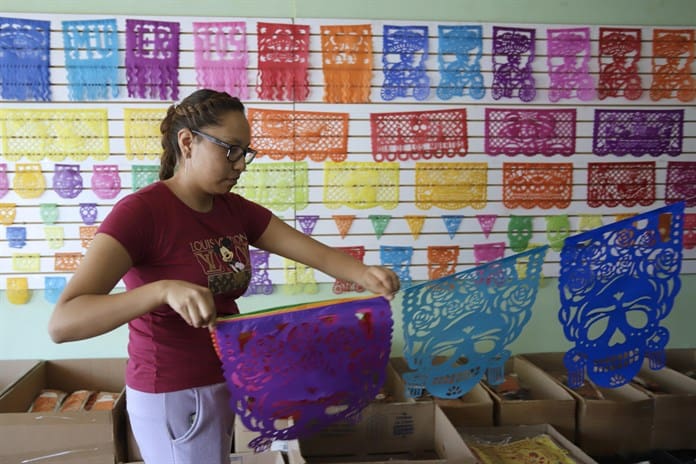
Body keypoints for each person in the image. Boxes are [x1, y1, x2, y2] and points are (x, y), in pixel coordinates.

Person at [47, 88, 400, 464]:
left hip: (225, 378)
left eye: (245, 152)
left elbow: (311, 251)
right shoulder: (141, 213)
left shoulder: (233, 210)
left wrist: (364, 273)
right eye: (230, 149)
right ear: (187, 142)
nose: (241, 164)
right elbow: (64, 323)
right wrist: (161, 291)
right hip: (173, 393)